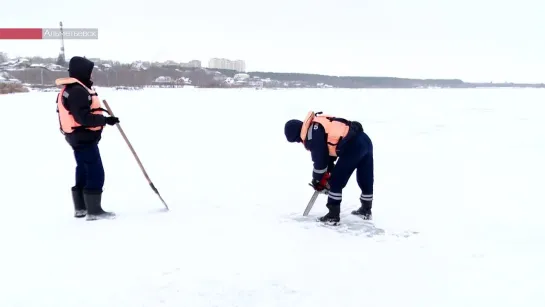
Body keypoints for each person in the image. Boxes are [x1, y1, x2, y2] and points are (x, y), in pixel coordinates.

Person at [55, 56, 120, 221]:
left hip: (76, 137)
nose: (91, 75)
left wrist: (104, 119)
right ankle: (94, 211)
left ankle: (81, 208)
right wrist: (105, 120)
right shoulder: (77, 91)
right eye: (90, 72)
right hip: (83, 137)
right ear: (83, 72)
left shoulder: (73, 88)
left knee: (83, 169)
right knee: (95, 171)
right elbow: (83, 118)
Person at [284, 111, 374, 224]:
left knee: (336, 180)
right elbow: (329, 152)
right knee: (365, 176)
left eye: (297, 140)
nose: (299, 142)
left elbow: (320, 160)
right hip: (365, 140)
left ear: (297, 135)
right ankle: (366, 209)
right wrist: (327, 172)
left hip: (353, 146)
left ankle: (333, 215)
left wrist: (317, 179)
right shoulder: (317, 124)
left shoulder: (311, 135)